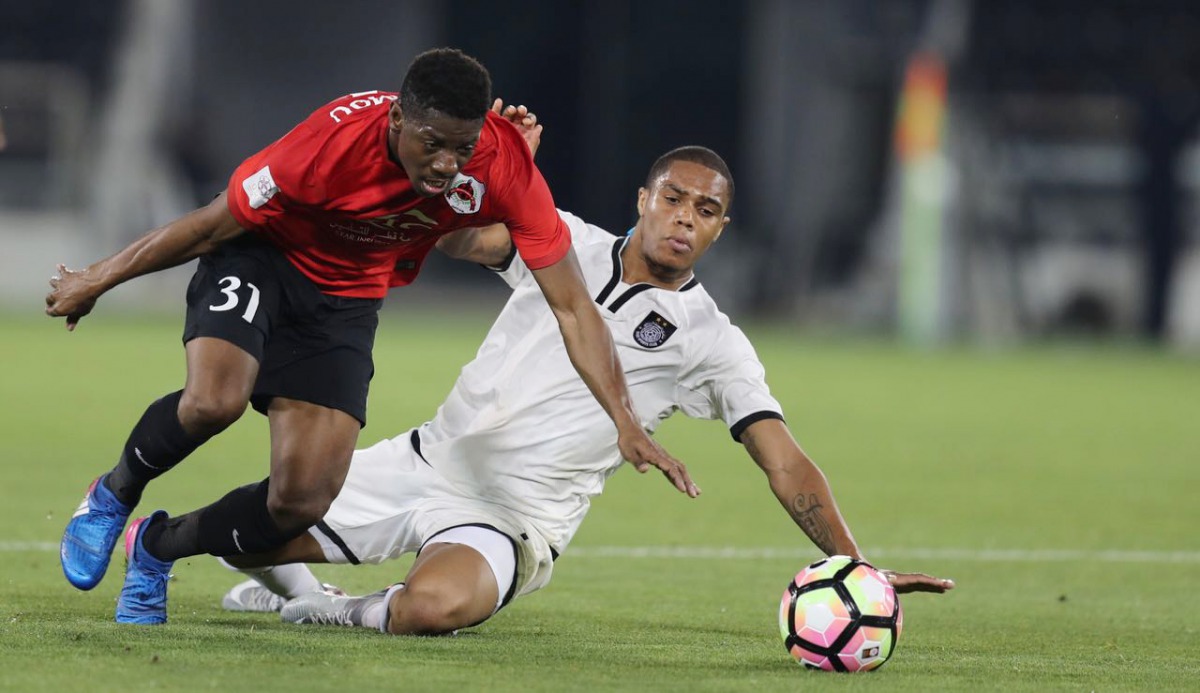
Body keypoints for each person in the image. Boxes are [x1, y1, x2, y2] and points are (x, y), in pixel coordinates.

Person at [45, 47, 693, 626]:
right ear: (396, 122)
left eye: (461, 148)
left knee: (300, 499)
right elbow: (211, 225)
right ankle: (113, 493)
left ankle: (156, 545)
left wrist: (625, 420)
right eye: (432, 143)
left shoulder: (502, 164)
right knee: (215, 398)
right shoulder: (327, 145)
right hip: (261, 258)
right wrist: (98, 278)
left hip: (345, 298)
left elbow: (576, 307)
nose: (446, 163)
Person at [216, 144, 955, 636]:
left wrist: (854, 563)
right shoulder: (561, 240)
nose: (684, 219)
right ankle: (295, 585)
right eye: (674, 198)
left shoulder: (711, 339)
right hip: (423, 460)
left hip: (513, 519)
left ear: (720, 230)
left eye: (705, 211)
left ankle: (334, 609)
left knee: (432, 607)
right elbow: (453, 239)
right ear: (643, 198)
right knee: (238, 534)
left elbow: (784, 460)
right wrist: (495, 178)